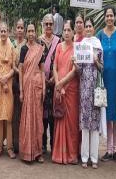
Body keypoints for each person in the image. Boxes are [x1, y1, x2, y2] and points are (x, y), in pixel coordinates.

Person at [97, 7, 116, 162]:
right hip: (104, 80)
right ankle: (108, 150)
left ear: (114, 17)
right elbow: (95, 55)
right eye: (107, 15)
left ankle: (115, 150)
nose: (109, 18)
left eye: (111, 15)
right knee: (107, 114)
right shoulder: (99, 34)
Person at [76, 17, 103, 169]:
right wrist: (75, 63)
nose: (87, 28)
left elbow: (102, 68)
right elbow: (79, 71)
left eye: (89, 26)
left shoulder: (98, 45)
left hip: (95, 90)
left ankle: (94, 158)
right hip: (84, 89)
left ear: (93, 28)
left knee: (95, 125)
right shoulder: (81, 46)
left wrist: (95, 60)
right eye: (85, 26)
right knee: (85, 124)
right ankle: (85, 157)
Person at [51, 20, 79, 165]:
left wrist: (62, 84)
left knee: (71, 122)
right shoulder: (59, 47)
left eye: (69, 30)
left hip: (71, 89)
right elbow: (54, 67)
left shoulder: (77, 49)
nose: (67, 33)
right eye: (65, 30)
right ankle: (59, 154)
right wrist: (57, 84)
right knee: (60, 119)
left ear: (74, 32)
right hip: (59, 88)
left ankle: (72, 154)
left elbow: (75, 71)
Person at [19, 23, 46, 163]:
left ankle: (38, 152)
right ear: (26, 33)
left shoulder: (40, 49)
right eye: (28, 31)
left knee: (37, 120)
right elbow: (21, 70)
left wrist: (44, 88)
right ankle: (27, 152)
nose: (30, 33)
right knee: (27, 120)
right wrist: (21, 91)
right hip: (27, 87)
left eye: (32, 31)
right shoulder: (23, 49)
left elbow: (42, 70)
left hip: (37, 88)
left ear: (36, 32)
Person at [0, 22, 16, 159]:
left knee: (9, 118)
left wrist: (6, 78)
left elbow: (14, 67)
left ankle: (10, 148)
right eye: (1, 31)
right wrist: (2, 80)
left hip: (9, 85)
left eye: (5, 31)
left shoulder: (11, 47)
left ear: (8, 32)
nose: (2, 33)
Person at [39, 14, 60, 154]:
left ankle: (53, 145)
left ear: (53, 25)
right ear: (42, 25)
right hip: (41, 84)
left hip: (54, 83)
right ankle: (42, 145)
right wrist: (42, 79)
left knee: (53, 116)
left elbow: (61, 61)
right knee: (42, 116)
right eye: (46, 24)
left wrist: (54, 79)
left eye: (50, 24)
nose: (48, 26)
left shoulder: (58, 42)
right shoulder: (38, 41)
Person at [12, 19, 26, 154]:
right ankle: (15, 145)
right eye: (18, 27)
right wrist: (18, 71)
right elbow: (12, 64)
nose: (20, 30)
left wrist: (22, 72)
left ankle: (24, 144)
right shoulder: (12, 45)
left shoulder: (28, 45)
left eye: (22, 28)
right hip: (14, 83)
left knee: (24, 116)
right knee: (15, 115)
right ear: (15, 30)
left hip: (26, 84)